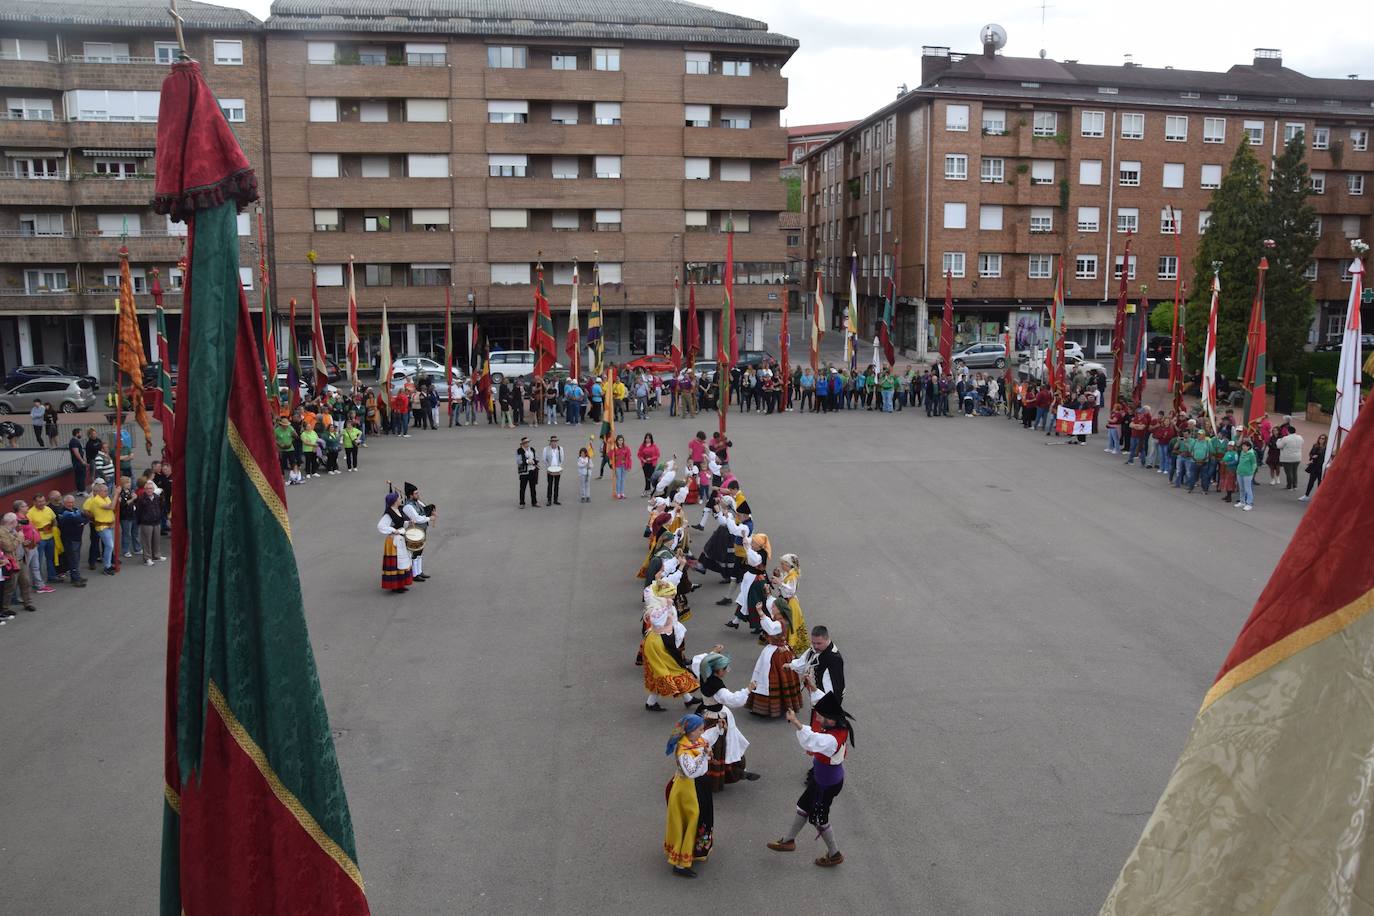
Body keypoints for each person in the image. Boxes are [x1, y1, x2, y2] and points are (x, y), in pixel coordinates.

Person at [766, 694, 854, 868]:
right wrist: (813, 688)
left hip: (827, 785)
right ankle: (789, 840)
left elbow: (813, 741)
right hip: (821, 780)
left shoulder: (831, 740)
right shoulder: (835, 726)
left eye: (820, 716)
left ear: (830, 719)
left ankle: (835, 854)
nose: (817, 718)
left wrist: (795, 722)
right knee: (803, 807)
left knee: (820, 820)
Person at [691, 650, 760, 789]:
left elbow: (700, 661)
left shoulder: (704, 675)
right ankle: (720, 776)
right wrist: (748, 689)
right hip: (717, 720)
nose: (727, 671)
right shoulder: (718, 688)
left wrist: (713, 653)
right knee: (723, 747)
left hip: (707, 714)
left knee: (726, 743)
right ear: (717, 670)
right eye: (724, 669)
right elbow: (734, 700)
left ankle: (734, 771)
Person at [662, 713, 714, 878]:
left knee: (701, 818)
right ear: (691, 731)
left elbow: (707, 740)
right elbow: (690, 771)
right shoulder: (683, 751)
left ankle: (694, 849)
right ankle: (680, 864)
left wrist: (718, 731)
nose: (702, 731)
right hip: (687, 790)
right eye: (699, 729)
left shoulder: (696, 741)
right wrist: (704, 754)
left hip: (700, 785)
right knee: (690, 821)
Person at [746, 595, 804, 718]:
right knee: (778, 680)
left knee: (768, 678)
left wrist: (761, 613)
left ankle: (770, 707)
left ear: (779, 609)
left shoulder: (780, 623)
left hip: (776, 654)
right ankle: (783, 704)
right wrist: (767, 595)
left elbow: (771, 629)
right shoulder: (780, 619)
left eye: (773, 607)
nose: (771, 608)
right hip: (776, 651)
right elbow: (770, 610)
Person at [377, 490, 413, 593]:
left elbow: (401, 523)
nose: (400, 499)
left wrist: (408, 523)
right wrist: (393, 530)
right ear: (394, 501)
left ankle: (401, 584)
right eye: (399, 498)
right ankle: (395, 586)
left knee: (402, 561)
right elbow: (381, 526)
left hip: (401, 538)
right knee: (396, 562)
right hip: (393, 541)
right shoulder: (389, 514)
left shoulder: (399, 510)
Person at [0, 513, 37, 613]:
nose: (18, 522)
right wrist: (19, 538)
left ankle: (27, 603)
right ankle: (5, 608)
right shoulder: (2, 532)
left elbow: (17, 543)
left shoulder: (13, 530)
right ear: (12, 522)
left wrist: (23, 543)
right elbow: (9, 547)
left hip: (21, 560)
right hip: (12, 563)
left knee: (25, 583)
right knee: (10, 586)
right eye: (16, 521)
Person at [401, 482, 434, 581]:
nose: (418, 495)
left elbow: (423, 507)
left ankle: (419, 572)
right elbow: (417, 518)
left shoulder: (416, 502)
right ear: (410, 495)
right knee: (415, 552)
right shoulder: (408, 506)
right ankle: (414, 574)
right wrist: (429, 518)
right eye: (416, 493)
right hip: (415, 531)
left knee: (420, 551)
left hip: (421, 530)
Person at [55, 495, 87, 588]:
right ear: (64, 503)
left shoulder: (75, 509)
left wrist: (81, 521)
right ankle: (75, 579)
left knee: (76, 558)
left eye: (72, 502)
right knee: (73, 559)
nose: (71, 504)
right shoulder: (62, 512)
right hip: (69, 539)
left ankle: (76, 576)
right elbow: (78, 519)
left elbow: (85, 518)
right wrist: (81, 521)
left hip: (77, 538)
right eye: (69, 502)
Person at [27, 492, 58, 585]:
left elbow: (54, 520)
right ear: (34, 502)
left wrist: (54, 528)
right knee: (38, 561)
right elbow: (29, 528)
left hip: (50, 537)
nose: (42, 503)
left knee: (50, 558)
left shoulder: (48, 509)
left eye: (43, 501)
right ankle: (37, 581)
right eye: (39, 501)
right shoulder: (30, 513)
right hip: (39, 540)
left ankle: (51, 577)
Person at [133, 480, 166, 566]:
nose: (149, 490)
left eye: (151, 488)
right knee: (147, 542)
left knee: (156, 540)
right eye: (147, 489)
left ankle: (156, 555)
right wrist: (140, 521)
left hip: (156, 522)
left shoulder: (157, 497)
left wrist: (159, 516)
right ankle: (147, 558)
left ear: (153, 489)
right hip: (146, 523)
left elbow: (162, 508)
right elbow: (138, 512)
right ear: (145, 489)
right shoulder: (141, 499)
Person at [1301, 434, 1327, 501]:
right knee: (1311, 481)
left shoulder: (1327, 448)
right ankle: (1306, 495)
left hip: (1321, 467)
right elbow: (1310, 453)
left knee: (1320, 483)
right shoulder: (1315, 446)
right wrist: (1312, 456)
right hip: (1314, 466)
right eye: (1320, 438)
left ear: (1325, 440)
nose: (1321, 440)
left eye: (1323, 438)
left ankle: (1319, 497)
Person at [516, 436, 540, 508]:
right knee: (522, 488)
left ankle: (534, 502)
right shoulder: (519, 450)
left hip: (532, 470)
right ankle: (522, 503)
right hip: (524, 472)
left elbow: (537, 458)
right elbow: (518, 461)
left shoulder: (532, 449)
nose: (527, 444)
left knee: (533, 487)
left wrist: (533, 461)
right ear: (522, 444)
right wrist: (527, 461)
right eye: (525, 443)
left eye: (527, 442)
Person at [1235, 439, 1258, 511]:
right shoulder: (1242, 452)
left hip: (1248, 474)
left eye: (1245, 446)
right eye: (1243, 446)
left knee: (1248, 488)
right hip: (1240, 473)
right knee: (1241, 488)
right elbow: (1240, 462)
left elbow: (1254, 464)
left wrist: (1252, 472)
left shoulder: (1251, 454)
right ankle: (1242, 502)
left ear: (1248, 447)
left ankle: (1249, 503)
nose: (1243, 447)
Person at [542, 435, 564, 506]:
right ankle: (549, 500)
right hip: (550, 469)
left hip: (557, 469)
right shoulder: (546, 449)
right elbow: (544, 459)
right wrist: (548, 468)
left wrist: (559, 468)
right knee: (550, 484)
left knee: (557, 485)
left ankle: (555, 499)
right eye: (553, 441)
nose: (554, 443)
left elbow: (562, 459)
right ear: (550, 442)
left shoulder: (560, 449)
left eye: (555, 441)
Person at [610, 434, 632, 500]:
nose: (620, 441)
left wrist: (629, 466)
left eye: (622, 440)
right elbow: (610, 455)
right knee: (619, 479)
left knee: (623, 479)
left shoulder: (626, 448)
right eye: (619, 440)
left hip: (624, 465)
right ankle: (618, 493)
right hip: (618, 466)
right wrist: (612, 448)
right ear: (617, 441)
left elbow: (629, 457)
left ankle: (622, 492)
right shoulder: (615, 448)